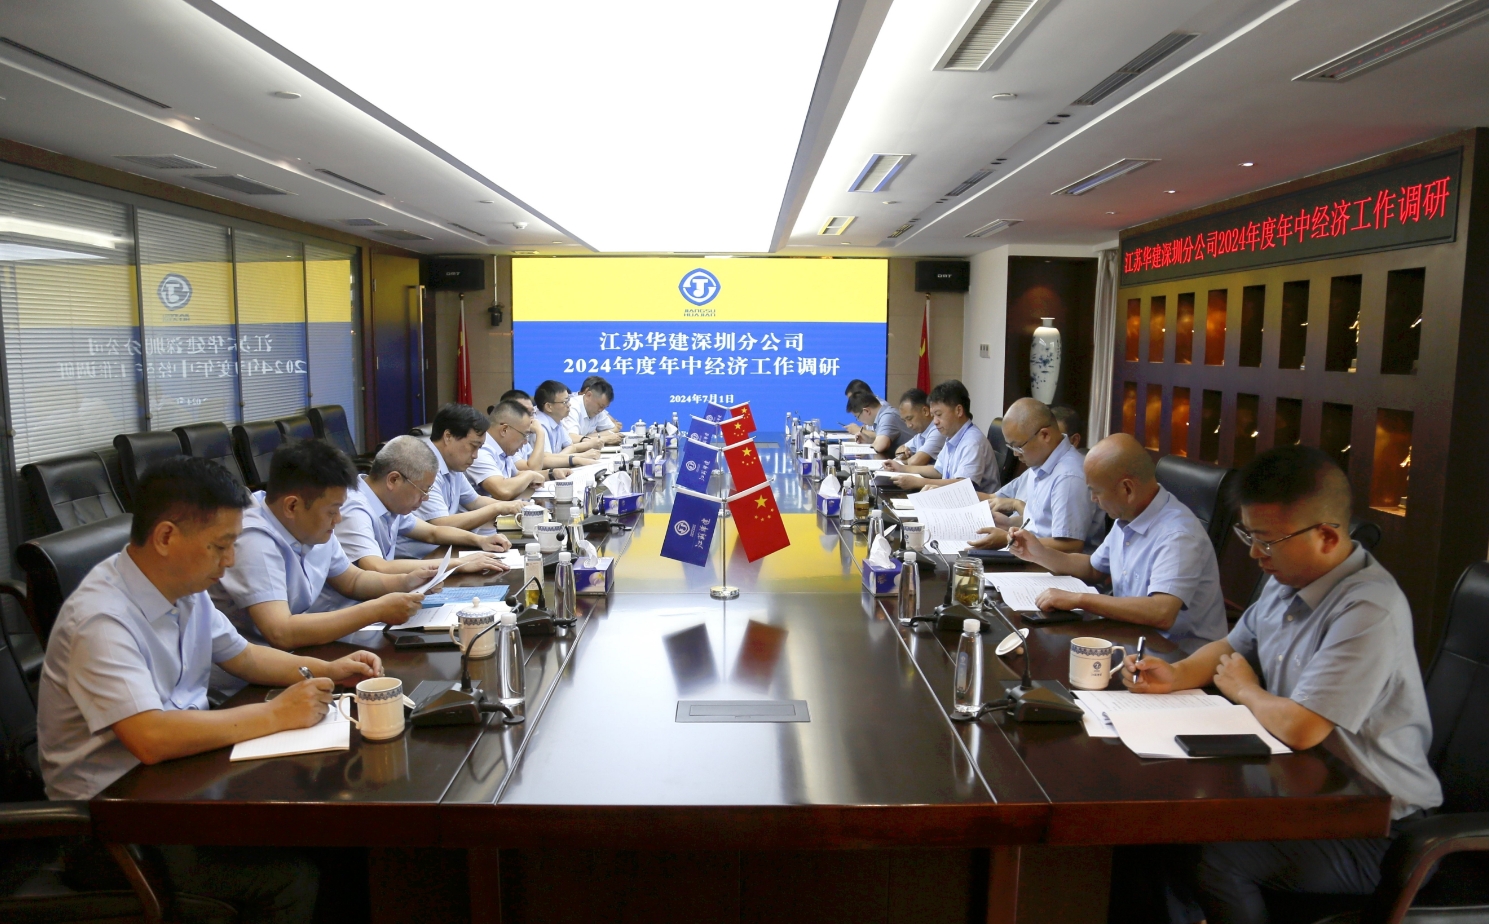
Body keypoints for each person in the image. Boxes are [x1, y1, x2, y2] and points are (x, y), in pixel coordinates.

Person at [39, 456, 383, 923]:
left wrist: (327, 669)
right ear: (166, 537)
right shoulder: (101, 618)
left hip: (182, 786)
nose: (231, 560)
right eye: (221, 546)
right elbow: (150, 738)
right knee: (293, 879)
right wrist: (277, 714)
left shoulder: (183, 586)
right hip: (114, 826)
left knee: (342, 842)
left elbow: (245, 656)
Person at [1122, 446, 1442, 924]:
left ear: (1327, 536)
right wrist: (1176, 675)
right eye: (1249, 535)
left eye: (1266, 541)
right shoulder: (1289, 575)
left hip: (1379, 828)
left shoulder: (1368, 609)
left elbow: (1301, 728)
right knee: (1156, 831)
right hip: (1305, 790)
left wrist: (1245, 690)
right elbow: (1232, 646)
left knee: (1214, 855)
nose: (1254, 554)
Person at [1006, 433, 1226, 652]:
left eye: (1096, 492)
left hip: (1179, 657)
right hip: (1129, 639)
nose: (1093, 499)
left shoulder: (1178, 535)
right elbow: (1093, 569)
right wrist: (1038, 553)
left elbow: (1161, 613)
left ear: (1127, 489)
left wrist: (1079, 599)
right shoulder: (1128, 516)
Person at [212, 440, 434, 648]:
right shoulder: (253, 539)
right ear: (292, 506)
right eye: (332, 511)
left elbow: (353, 580)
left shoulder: (310, 527)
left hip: (294, 652)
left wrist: (406, 582)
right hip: (248, 667)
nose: (338, 519)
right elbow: (281, 632)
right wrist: (376, 610)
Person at [328, 435, 510, 590]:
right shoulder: (354, 508)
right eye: (423, 490)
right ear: (393, 480)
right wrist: (459, 563)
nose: (426, 498)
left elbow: (433, 532)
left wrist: (480, 541)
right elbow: (377, 567)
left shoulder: (389, 502)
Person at [971, 398, 1099, 553]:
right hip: (1029, 554)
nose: (1016, 454)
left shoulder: (1069, 477)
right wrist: (1009, 524)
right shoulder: (1040, 462)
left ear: (1044, 435)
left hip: (1048, 564)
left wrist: (1007, 539)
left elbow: (1070, 546)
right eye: (1011, 447)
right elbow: (1041, 525)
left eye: (1018, 446)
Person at [399, 403, 524, 557]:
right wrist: (497, 508)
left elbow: (475, 501)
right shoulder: (423, 465)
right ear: (448, 437)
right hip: (420, 557)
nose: (475, 455)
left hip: (445, 550)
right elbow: (440, 525)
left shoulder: (452, 463)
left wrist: (514, 507)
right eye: (473, 446)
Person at [886, 379, 1001, 493]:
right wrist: (902, 468)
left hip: (975, 503)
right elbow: (938, 470)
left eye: (939, 414)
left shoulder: (972, 442)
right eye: (933, 416)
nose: (935, 422)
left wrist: (918, 482)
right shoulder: (953, 436)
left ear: (959, 411)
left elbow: (963, 485)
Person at [469, 401, 548, 498]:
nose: (525, 442)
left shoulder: (502, 450)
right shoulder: (481, 451)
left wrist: (552, 474)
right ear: (504, 430)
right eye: (524, 435)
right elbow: (502, 490)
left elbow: (516, 475)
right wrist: (530, 476)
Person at [532, 380, 601, 471]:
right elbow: (545, 460)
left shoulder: (557, 421)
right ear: (549, 407)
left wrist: (559, 457)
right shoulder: (539, 425)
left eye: (569, 400)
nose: (569, 404)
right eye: (565, 402)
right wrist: (581, 457)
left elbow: (570, 446)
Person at [846, 390, 912, 454]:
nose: (859, 420)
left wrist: (873, 442)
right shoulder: (881, 415)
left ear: (867, 411)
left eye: (857, 417)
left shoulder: (888, 416)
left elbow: (880, 446)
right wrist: (868, 439)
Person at [564, 376, 623, 448]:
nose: (601, 410)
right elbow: (572, 438)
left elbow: (613, 429)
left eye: (604, 407)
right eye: (600, 406)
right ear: (589, 395)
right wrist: (604, 439)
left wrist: (591, 436)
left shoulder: (598, 410)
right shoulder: (572, 407)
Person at [895, 388, 945, 466]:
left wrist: (904, 460)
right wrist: (903, 452)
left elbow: (915, 462)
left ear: (925, 411)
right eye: (905, 421)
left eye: (910, 418)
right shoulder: (920, 435)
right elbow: (899, 451)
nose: (908, 425)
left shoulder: (938, 430)